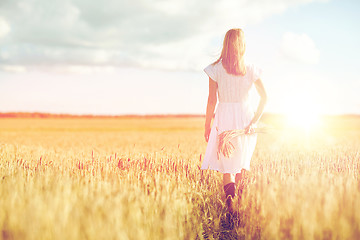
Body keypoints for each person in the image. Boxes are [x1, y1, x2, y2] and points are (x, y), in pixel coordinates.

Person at [201, 28, 267, 214]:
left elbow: (211, 100)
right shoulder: (251, 69)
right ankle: (237, 202)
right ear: (242, 45)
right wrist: (254, 122)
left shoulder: (215, 69)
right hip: (246, 118)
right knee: (240, 163)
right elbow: (265, 98)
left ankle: (230, 205)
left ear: (225, 44)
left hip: (224, 118)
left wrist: (207, 125)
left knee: (226, 167)